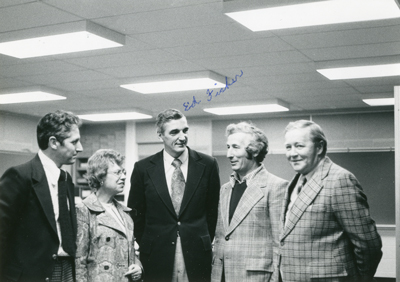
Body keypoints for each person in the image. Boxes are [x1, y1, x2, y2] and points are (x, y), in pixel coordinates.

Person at [279, 120, 382, 282]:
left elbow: (367, 243)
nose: (292, 153)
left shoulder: (339, 180)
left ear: (319, 147)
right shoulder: (296, 181)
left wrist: (360, 279)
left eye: (299, 146)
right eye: (288, 147)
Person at [128, 108, 221, 282]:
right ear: (160, 135)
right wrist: (151, 242)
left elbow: (213, 211)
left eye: (185, 130)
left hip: (197, 253)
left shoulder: (207, 165)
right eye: (174, 132)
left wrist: (199, 237)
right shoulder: (143, 168)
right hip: (156, 254)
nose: (182, 137)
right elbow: (136, 214)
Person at [0, 110, 83, 282]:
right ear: (53, 142)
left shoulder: (65, 179)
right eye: (74, 142)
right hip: (31, 274)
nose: (80, 148)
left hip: (66, 269)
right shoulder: (20, 176)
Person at [211, 122, 288, 282]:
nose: (228, 154)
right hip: (221, 276)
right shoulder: (225, 189)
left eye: (235, 147)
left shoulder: (276, 187)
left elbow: (280, 244)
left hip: (255, 277)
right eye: (228, 147)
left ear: (254, 151)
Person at [75, 149, 142, 282]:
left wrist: (139, 267)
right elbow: (79, 263)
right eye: (117, 173)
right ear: (100, 176)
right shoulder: (85, 210)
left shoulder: (125, 213)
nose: (123, 177)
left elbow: (130, 253)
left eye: (123, 172)